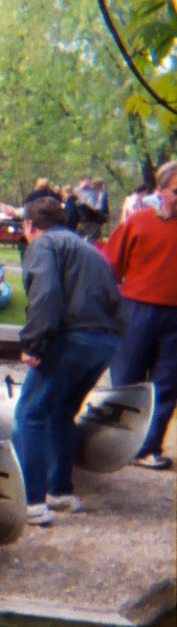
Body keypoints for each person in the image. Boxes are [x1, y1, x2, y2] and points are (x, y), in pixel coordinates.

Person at [13, 196, 125, 524]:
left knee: (30, 415)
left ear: (30, 225)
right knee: (62, 413)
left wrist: (33, 344)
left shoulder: (43, 245)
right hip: (106, 340)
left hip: (72, 337)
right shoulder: (89, 248)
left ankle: (32, 502)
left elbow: (46, 296)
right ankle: (60, 492)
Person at [103, 160, 177, 470]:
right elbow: (110, 266)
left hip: (175, 315)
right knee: (127, 379)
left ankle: (149, 448)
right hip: (136, 310)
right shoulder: (138, 222)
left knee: (168, 382)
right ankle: (116, 444)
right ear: (162, 191)